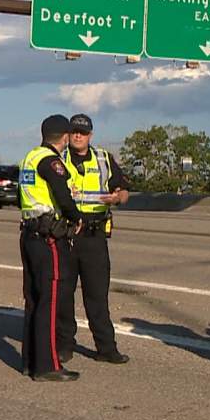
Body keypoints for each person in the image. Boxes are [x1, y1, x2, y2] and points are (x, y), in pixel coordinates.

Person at [18, 114, 83, 381]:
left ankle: (30, 361)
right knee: (51, 300)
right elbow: (62, 194)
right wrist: (75, 216)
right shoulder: (51, 161)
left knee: (33, 299)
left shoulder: (29, 157)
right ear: (64, 136)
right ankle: (48, 366)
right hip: (48, 238)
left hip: (29, 235)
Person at [63, 113, 131, 365]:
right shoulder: (59, 158)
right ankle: (65, 345)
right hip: (67, 234)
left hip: (94, 235)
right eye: (74, 131)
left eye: (83, 132)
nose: (78, 136)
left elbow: (124, 190)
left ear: (90, 135)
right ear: (68, 134)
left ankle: (106, 348)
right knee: (63, 294)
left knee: (97, 296)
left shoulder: (103, 158)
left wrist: (118, 197)